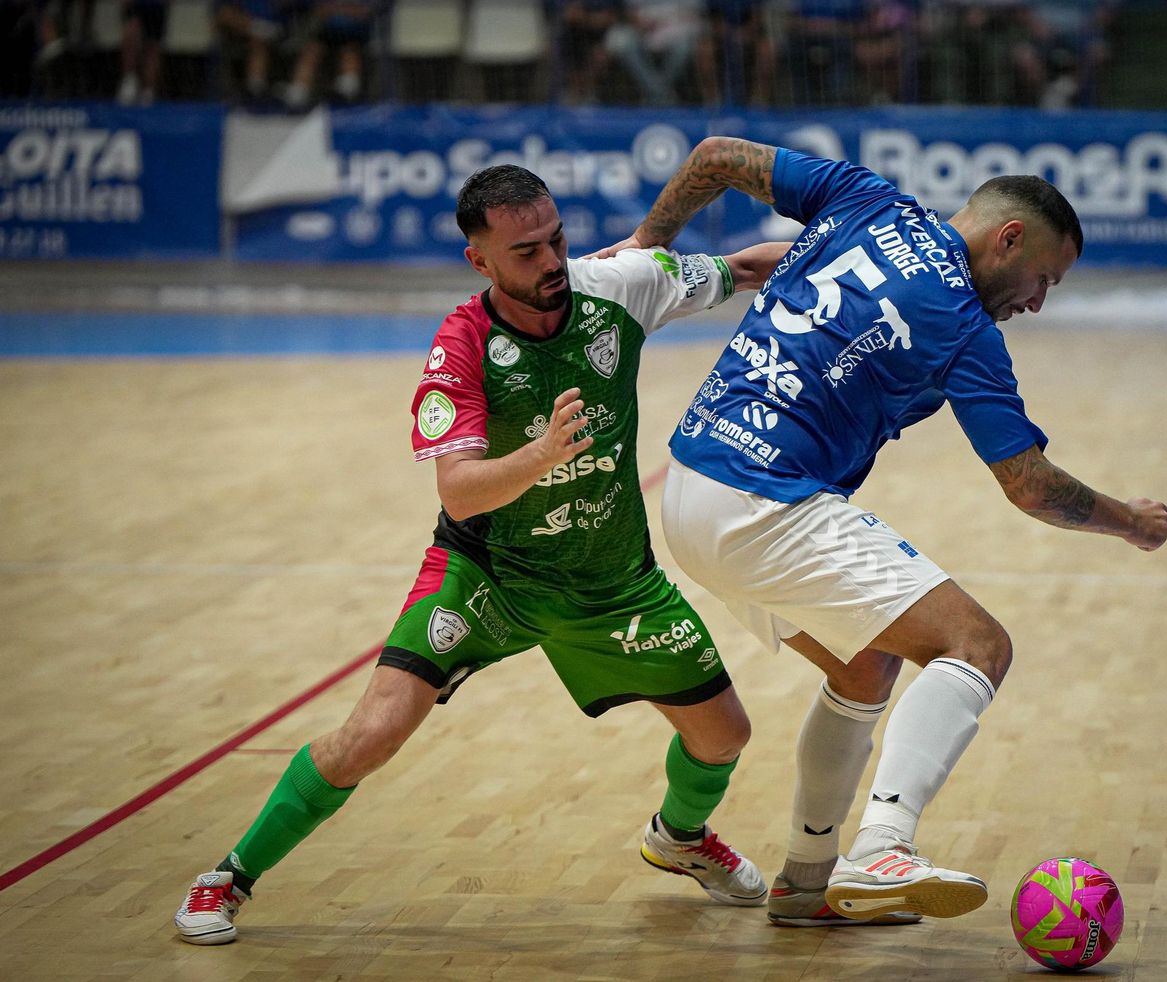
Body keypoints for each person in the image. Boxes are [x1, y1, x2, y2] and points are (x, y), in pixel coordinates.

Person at [172, 164, 791, 944]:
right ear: (481, 261)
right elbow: (460, 492)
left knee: (723, 735)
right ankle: (227, 876)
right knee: (372, 734)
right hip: (488, 575)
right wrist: (539, 455)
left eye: (557, 239)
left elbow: (742, 267)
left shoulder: (617, 284)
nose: (552, 262)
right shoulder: (461, 343)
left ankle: (679, 838)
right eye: (526, 251)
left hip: (610, 583)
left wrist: (861, 260)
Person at [590, 137, 1167, 924]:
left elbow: (718, 154)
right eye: (1045, 279)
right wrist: (1128, 521)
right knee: (977, 646)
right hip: (765, 499)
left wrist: (646, 243)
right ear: (1009, 239)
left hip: (693, 486)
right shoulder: (968, 330)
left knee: (865, 666)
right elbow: (1030, 486)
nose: (1037, 301)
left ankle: (806, 881)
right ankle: (883, 848)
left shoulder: (865, 199)